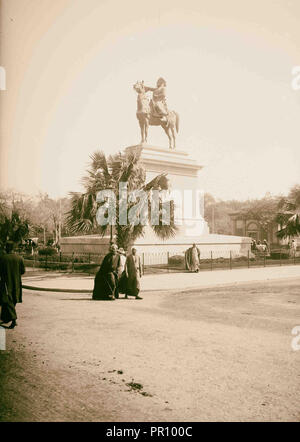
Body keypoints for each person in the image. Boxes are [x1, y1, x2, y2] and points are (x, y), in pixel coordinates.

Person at [0, 241, 25, 329]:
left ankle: (13, 320)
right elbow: (23, 271)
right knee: (13, 299)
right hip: (17, 282)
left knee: (7, 300)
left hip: (6, 283)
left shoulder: (2, 258)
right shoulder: (19, 258)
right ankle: (6, 318)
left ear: (6, 248)